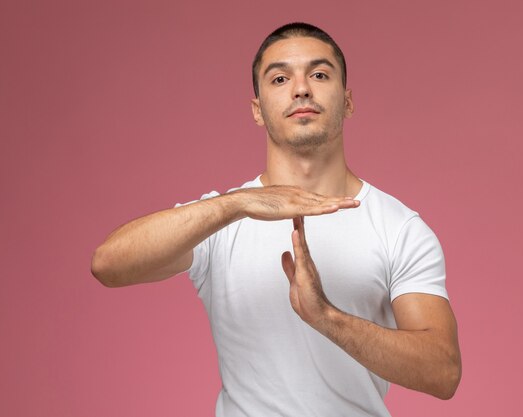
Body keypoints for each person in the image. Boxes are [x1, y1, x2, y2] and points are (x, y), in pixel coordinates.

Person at [92, 22, 461, 416]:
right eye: (280, 78)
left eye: (319, 74)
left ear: (348, 102)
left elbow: (442, 371)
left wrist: (328, 318)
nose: (301, 88)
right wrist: (237, 204)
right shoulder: (221, 219)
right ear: (257, 109)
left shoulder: (398, 227)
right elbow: (108, 265)